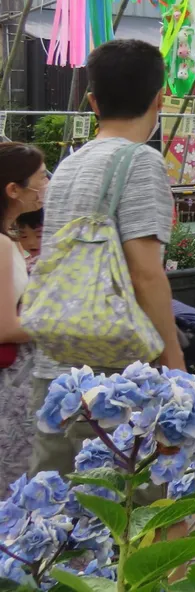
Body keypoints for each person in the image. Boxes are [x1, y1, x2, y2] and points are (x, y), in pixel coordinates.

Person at [31, 40, 184, 475]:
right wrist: (176, 368)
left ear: (93, 101)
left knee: (64, 522)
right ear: (160, 97)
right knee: (134, 515)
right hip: (116, 377)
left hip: (57, 369)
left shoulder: (68, 166)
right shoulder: (138, 161)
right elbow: (146, 275)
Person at [0, 144, 47, 488]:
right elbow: (5, 327)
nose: (46, 184)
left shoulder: (10, 239)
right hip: (11, 385)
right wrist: (61, 324)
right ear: (13, 190)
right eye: (41, 177)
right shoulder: (2, 245)